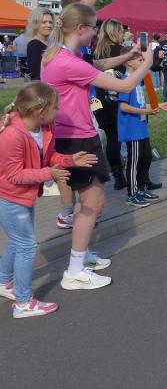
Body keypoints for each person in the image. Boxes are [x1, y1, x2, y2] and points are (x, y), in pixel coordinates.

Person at [41, 3, 153, 290]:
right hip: (77, 137)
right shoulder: (68, 61)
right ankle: (75, 270)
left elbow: (97, 66)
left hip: (74, 134)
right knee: (94, 202)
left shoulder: (61, 53)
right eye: (93, 28)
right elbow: (125, 86)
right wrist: (147, 62)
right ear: (81, 29)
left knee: (88, 200)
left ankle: (82, 254)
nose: (95, 33)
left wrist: (127, 55)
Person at [0, 83, 99, 317]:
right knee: (26, 246)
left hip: (24, 197)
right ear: (40, 111)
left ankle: (3, 281)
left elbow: (50, 156)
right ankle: (23, 303)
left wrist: (70, 160)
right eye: (55, 107)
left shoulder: (43, 128)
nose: (58, 111)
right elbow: (14, 175)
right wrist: (49, 174)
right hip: (10, 198)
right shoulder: (12, 135)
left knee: (18, 241)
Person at [118, 47, 167, 208]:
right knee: (134, 162)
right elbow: (124, 107)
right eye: (140, 60)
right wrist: (146, 111)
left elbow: (140, 104)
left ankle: (141, 189)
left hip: (141, 128)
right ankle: (132, 194)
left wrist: (158, 105)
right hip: (132, 130)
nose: (143, 63)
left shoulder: (137, 82)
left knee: (145, 158)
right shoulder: (126, 82)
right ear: (129, 62)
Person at [93, 19, 128, 190]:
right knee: (122, 137)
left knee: (111, 139)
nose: (123, 34)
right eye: (121, 31)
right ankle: (131, 174)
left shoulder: (97, 52)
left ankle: (117, 175)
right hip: (116, 100)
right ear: (115, 32)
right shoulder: (119, 51)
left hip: (98, 100)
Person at [25, 7, 55, 81]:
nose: (49, 25)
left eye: (50, 22)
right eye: (44, 22)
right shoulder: (33, 45)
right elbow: (36, 75)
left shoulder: (53, 43)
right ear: (35, 24)